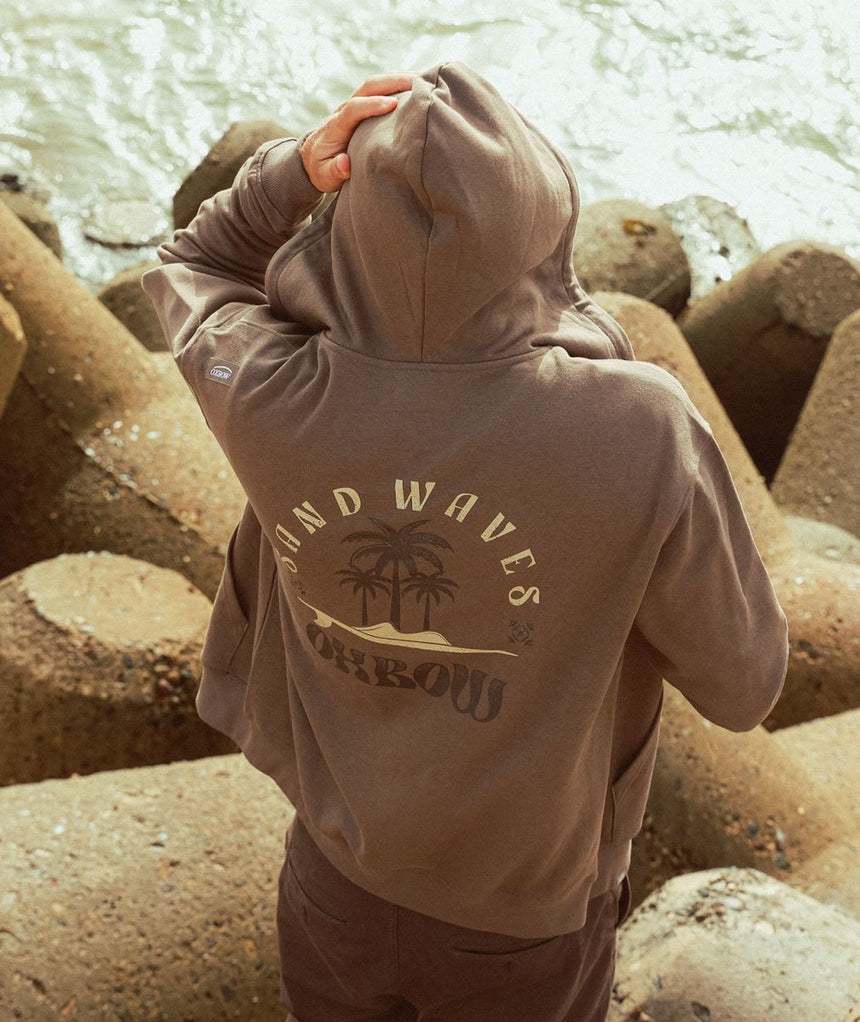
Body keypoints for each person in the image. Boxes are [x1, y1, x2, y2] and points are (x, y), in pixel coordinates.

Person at [143, 62, 788, 1022]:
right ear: (545, 225)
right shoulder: (640, 428)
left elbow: (192, 261)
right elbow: (744, 686)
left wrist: (294, 171)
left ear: (345, 222)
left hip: (332, 879)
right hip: (526, 922)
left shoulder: (267, 384)